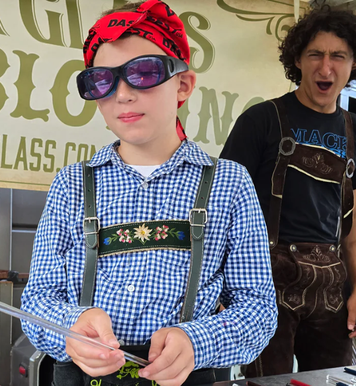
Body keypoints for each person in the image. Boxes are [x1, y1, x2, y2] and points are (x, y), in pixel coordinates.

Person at [21, 1, 277, 385]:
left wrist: (197, 341)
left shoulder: (229, 183)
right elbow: (37, 299)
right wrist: (69, 326)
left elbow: (258, 310)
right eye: (102, 81)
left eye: (143, 72)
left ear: (183, 85)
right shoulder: (72, 183)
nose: (122, 94)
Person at [220, 7, 356, 377]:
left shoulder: (354, 130)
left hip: (333, 291)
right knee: (266, 383)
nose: (325, 67)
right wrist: (220, 291)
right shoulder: (261, 120)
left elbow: (354, 227)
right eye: (316, 54)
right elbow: (222, 210)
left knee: (334, 382)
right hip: (266, 283)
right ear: (297, 58)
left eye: (338, 56)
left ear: (352, 63)